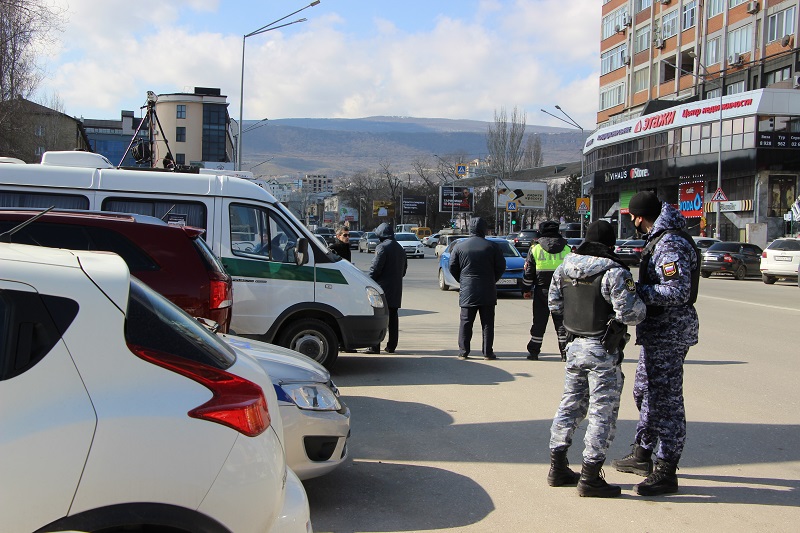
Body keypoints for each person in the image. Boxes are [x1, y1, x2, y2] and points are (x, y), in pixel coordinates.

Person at [547, 220, 646, 498]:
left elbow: (554, 305)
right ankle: (590, 476)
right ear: (610, 244)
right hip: (603, 349)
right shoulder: (614, 272)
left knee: (569, 405)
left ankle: (558, 467)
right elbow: (631, 314)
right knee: (602, 412)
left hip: (575, 346)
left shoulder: (563, 268)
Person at [610, 190, 700, 496]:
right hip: (656, 332)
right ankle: (642, 453)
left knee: (666, 402)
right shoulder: (659, 238)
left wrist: (638, 292)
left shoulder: (670, 243)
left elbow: (678, 292)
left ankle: (666, 468)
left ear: (638, 216)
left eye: (632, 217)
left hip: (670, 333)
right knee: (644, 392)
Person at [449, 217, 506, 360]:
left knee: (466, 321)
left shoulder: (459, 246)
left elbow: (452, 267)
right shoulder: (492, 246)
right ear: (484, 229)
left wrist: (462, 280)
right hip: (487, 289)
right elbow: (501, 266)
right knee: (487, 323)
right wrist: (493, 279)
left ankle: (463, 351)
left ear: (470, 230)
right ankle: (488, 352)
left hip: (468, 289)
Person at [522, 220, 571, 361]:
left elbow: (529, 273)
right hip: (563, 291)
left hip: (542, 290)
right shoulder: (567, 248)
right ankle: (565, 353)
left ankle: (534, 352)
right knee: (562, 323)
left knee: (539, 321)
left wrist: (526, 289)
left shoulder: (535, 249)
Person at [365, 223, 407, 354]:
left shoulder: (382, 247)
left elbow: (375, 268)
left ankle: (374, 346)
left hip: (381, 288)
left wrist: (367, 280)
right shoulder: (400, 248)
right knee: (393, 318)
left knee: (378, 316)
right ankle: (391, 346)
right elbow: (404, 270)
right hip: (396, 288)